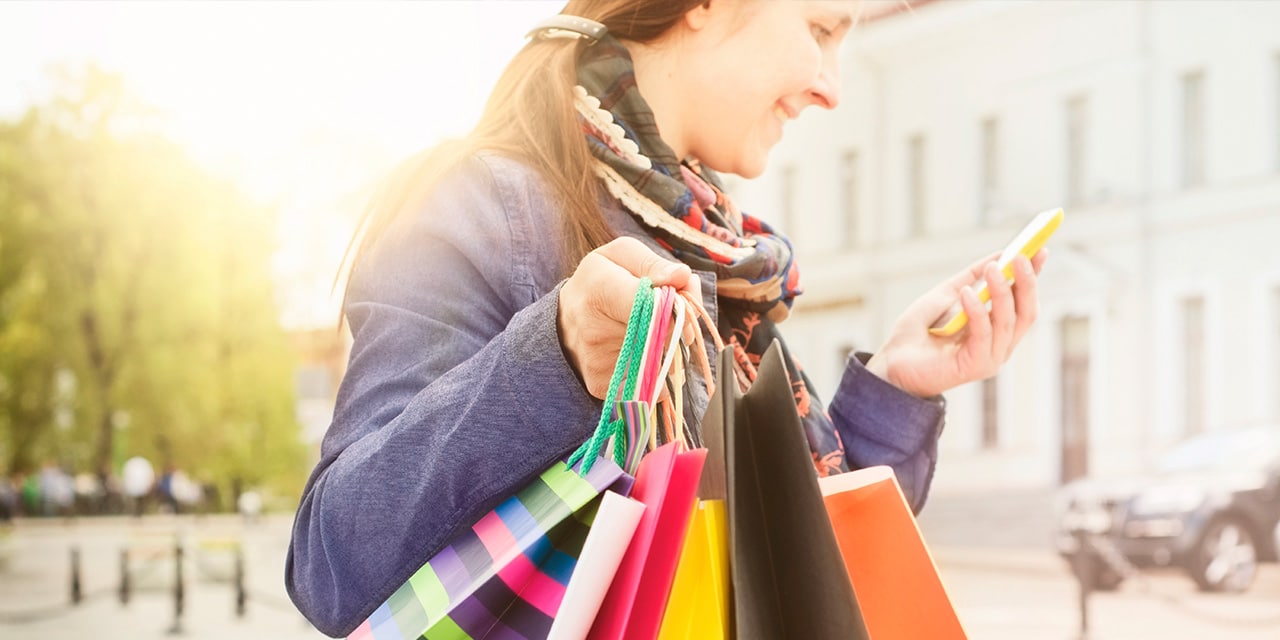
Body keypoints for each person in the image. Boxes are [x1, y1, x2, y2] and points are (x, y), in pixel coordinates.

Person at [286, 1, 1047, 637]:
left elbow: (790, 570)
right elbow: (331, 562)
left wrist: (896, 386)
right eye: (819, 30)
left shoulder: (716, 248)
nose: (831, 89)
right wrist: (554, 355)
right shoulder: (479, 206)